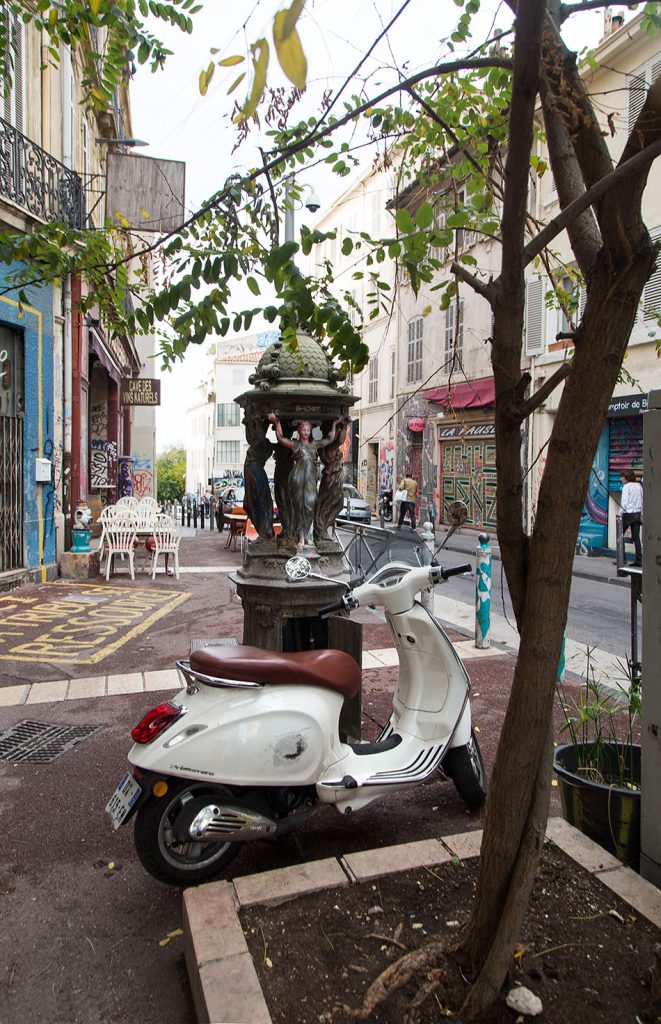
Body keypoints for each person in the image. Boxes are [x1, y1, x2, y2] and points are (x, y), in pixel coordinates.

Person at [269, 413, 343, 547]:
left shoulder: (314, 444)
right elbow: (280, 438)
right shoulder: (295, 444)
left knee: (310, 505)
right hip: (297, 479)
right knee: (298, 506)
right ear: (299, 431)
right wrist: (277, 422)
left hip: (310, 480)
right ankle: (301, 536)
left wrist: (335, 424)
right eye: (303, 430)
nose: (306, 432)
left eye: (308, 430)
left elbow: (330, 438)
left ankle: (307, 534)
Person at [620, 469, 643, 566]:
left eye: (622, 477)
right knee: (636, 537)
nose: (621, 479)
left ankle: (622, 558)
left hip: (628, 514)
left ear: (626, 478)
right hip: (637, 513)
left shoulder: (626, 487)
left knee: (619, 536)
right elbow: (642, 500)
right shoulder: (639, 486)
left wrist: (620, 514)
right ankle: (638, 560)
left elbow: (624, 503)